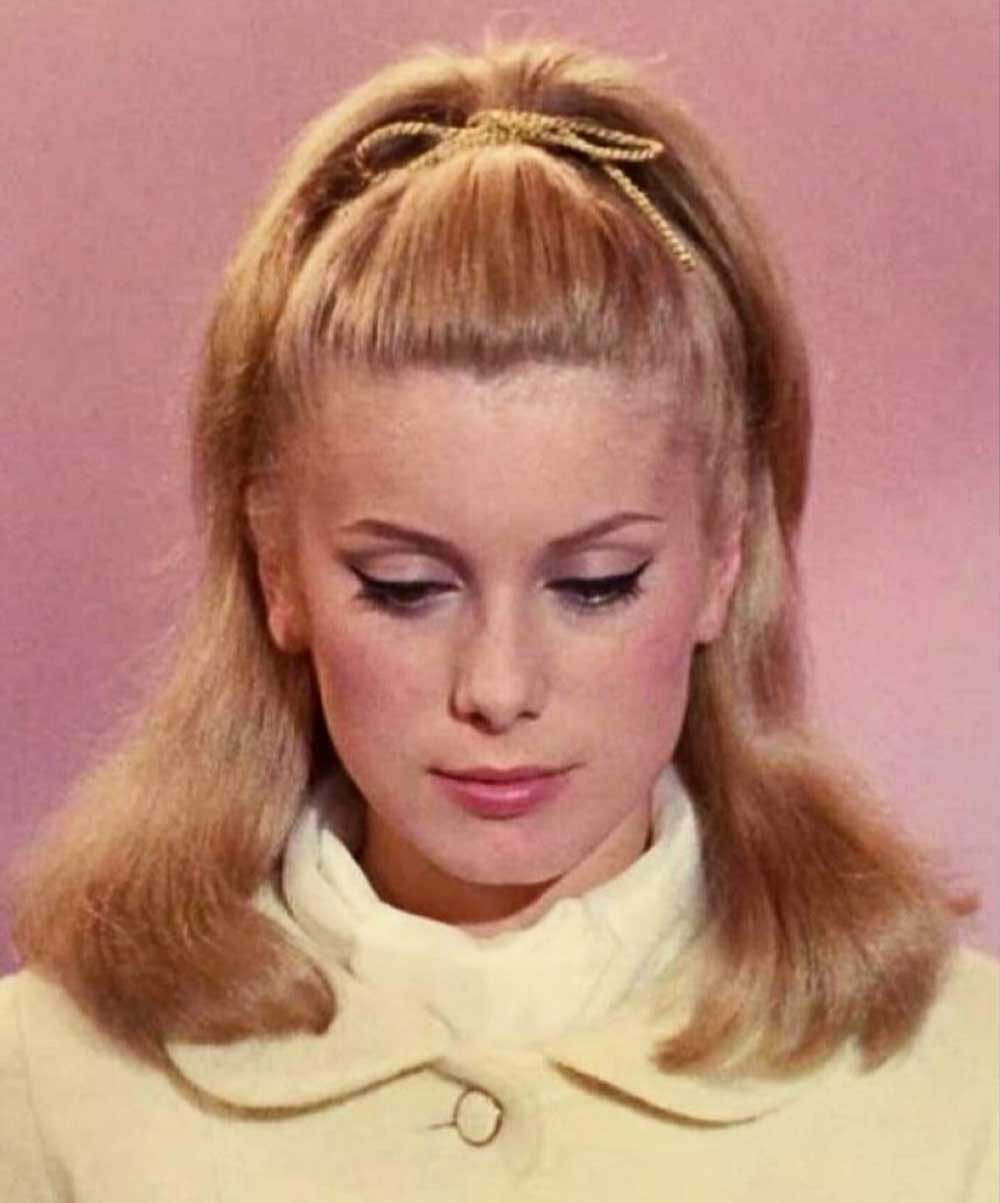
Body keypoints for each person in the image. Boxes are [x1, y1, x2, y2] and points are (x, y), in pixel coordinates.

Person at [1, 36, 995, 1203]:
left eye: (596, 584)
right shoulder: (47, 1090)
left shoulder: (962, 1088)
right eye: (405, 588)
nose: (498, 687)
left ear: (725, 558)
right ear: (277, 570)